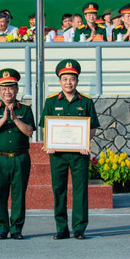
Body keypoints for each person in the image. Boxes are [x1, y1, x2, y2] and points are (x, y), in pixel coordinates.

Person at [39, 60, 99, 240]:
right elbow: (45, 126)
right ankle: (61, 228)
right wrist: (49, 143)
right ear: (59, 81)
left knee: (80, 190)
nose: (68, 83)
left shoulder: (86, 101)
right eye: (64, 79)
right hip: (57, 154)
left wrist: (84, 144)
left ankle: (79, 228)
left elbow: (93, 127)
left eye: (72, 79)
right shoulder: (51, 101)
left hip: (79, 155)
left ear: (77, 81)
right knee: (59, 189)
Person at [0, 68, 35, 240]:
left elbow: (29, 132)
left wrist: (15, 119)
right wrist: (3, 119)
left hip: (20, 158)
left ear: (17, 89)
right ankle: (1, 228)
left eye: (11, 87)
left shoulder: (25, 109)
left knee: (19, 195)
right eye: (4, 88)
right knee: (0, 194)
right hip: (0, 158)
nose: (7, 91)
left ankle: (17, 229)